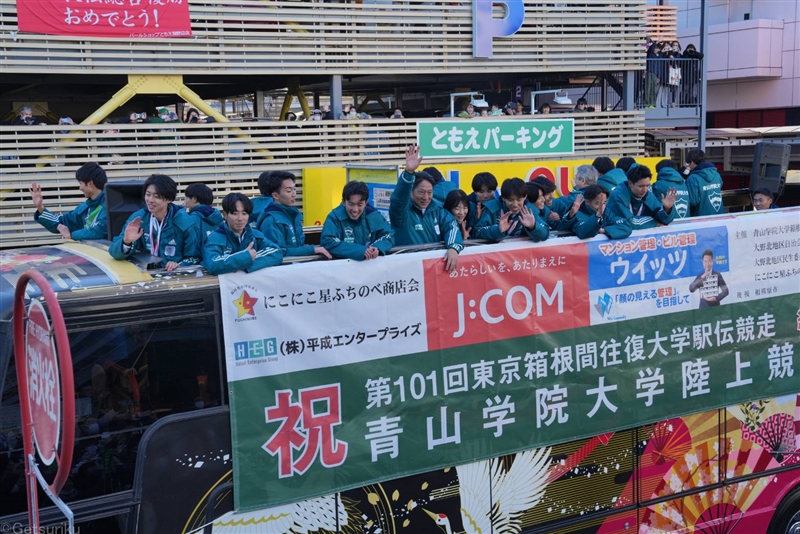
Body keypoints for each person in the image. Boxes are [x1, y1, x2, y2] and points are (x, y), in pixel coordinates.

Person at [389, 145, 463, 272]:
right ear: (411, 191)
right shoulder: (402, 212)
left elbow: (452, 226)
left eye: (430, 192)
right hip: (406, 271)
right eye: (421, 192)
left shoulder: (438, 210)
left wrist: (453, 247)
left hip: (434, 271)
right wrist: (409, 173)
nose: (426, 197)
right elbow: (399, 199)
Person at [109, 174, 200, 271]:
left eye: (156, 196)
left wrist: (179, 265)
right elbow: (114, 252)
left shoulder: (185, 223)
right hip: (146, 276)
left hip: (174, 279)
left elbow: (194, 258)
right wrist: (126, 242)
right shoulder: (138, 218)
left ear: (169, 199)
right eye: (148, 194)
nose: (150, 200)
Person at [203, 193, 284, 275]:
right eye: (235, 213)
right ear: (225, 215)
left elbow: (276, 252)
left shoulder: (255, 234)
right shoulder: (214, 239)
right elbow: (212, 265)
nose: (240, 218)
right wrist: (245, 257)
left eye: (244, 213)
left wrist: (245, 264)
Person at [257, 171, 332, 258]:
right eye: (289, 191)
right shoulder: (271, 221)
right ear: (275, 195)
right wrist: (311, 249)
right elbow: (276, 253)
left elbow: (297, 246)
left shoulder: (293, 214)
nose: (294, 194)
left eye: (294, 189)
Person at [30, 162, 108, 241]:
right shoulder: (86, 207)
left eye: (80, 183)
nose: (80, 188)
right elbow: (61, 222)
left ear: (90, 183)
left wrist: (70, 235)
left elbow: (100, 231)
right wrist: (40, 207)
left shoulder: (109, 205)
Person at [320, 181, 394, 261]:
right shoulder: (334, 217)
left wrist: (377, 248)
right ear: (344, 202)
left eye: (360, 205)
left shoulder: (373, 215)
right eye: (351, 204)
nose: (355, 210)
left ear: (366, 203)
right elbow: (328, 241)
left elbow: (389, 235)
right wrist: (360, 251)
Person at [473, 177, 549, 242]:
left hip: (520, 257)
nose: (515, 205)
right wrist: (498, 229)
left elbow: (545, 233)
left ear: (525, 197)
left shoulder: (529, 210)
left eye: (519, 200)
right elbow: (476, 232)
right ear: (503, 197)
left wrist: (533, 227)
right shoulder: (492, 208)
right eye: (510, 200)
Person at [606, 164, 677, 230]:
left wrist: (667, 210)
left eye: (647, 185)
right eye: (641, 186)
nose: (645, 189)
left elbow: (663, 220)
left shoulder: (647, 194)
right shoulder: (618, 196)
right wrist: (654, 222)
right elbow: (628, 222)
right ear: (630, 183)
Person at [557, 184, 632, 239]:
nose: (601, 206)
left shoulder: (606, 211)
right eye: (597, 203)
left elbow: (627, 226)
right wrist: (598, 215)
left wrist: (605, 230)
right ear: (587, 202)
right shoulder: (577, 213)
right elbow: (583, 232)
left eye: (604, 203)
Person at [685, 149, 723, 217]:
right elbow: (721, 185)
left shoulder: (692, 178)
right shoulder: (716, 174)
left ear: (692, 162)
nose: (688, 166)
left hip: (701, 218)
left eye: (688, 163)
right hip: (719, 215)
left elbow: (693, 201)